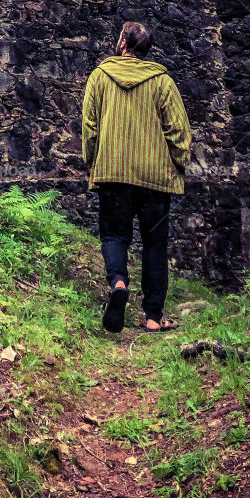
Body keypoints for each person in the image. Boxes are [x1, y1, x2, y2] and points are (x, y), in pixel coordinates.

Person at [81, 21, 191, 334]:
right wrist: (179, 163)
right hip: (155, 177)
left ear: (122, 43)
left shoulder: (100, 77)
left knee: (114, 236)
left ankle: (118, 283)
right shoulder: (162, 82)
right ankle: (154, 317)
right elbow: (179, 131)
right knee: (155, 245)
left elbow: (90, 127)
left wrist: (93, 160)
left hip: (113, 172)